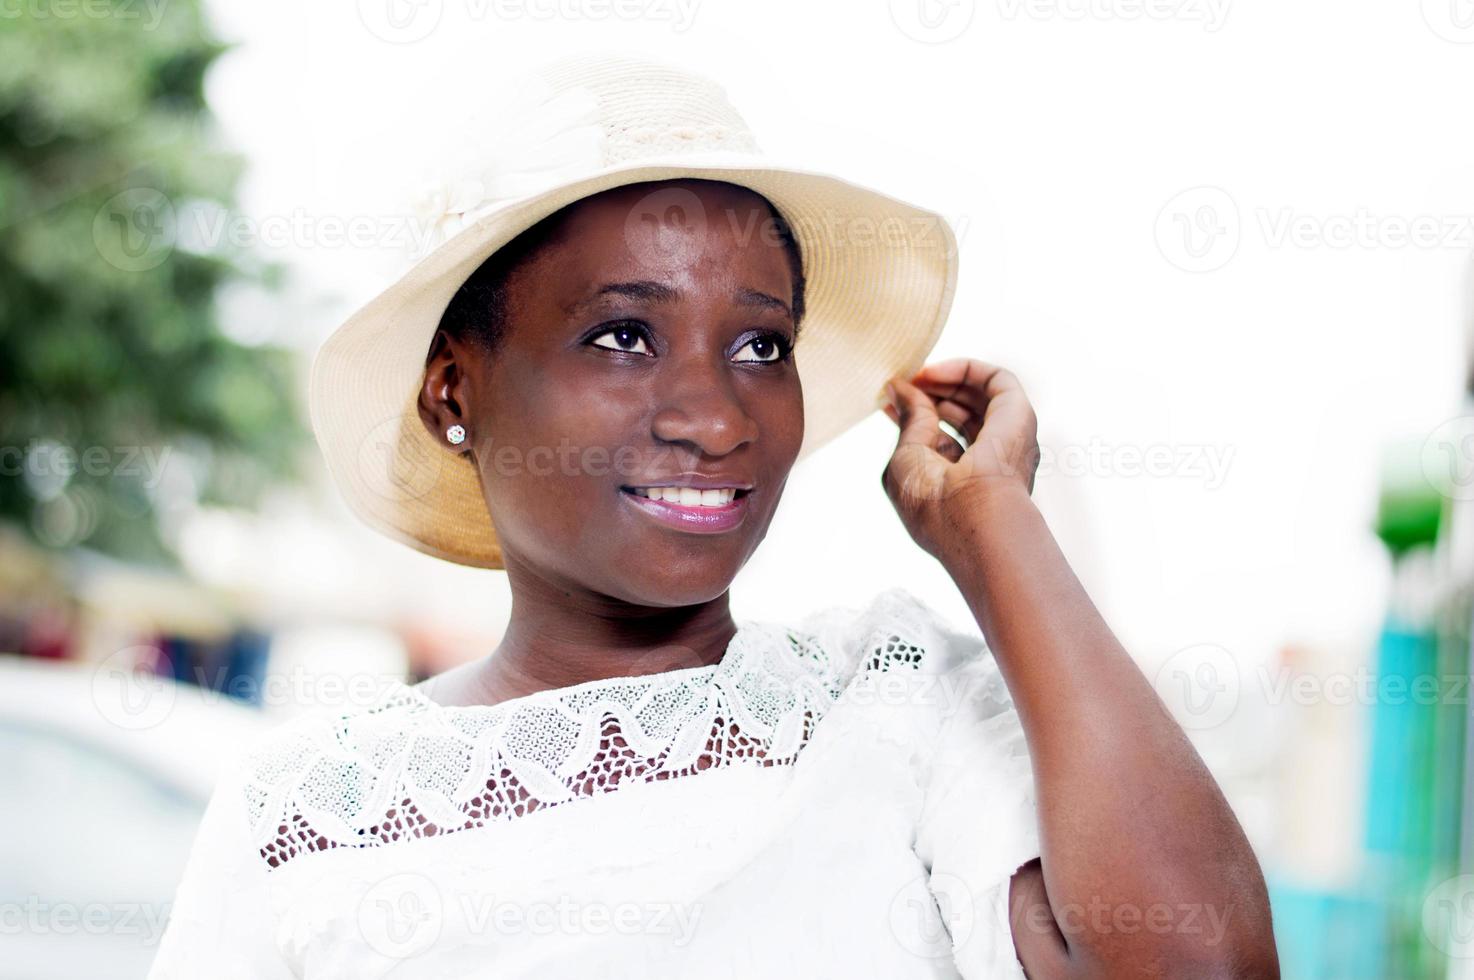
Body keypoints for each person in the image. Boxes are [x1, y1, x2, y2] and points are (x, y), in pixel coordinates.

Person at [146, 53, 1278, 979]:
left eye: (760, 345)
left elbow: (1203, 964)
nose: (714, 416)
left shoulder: (893, 703)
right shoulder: (306, 814)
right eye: (623, 335)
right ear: (456, 389)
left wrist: (991, 531)